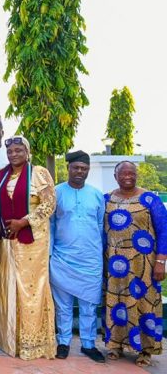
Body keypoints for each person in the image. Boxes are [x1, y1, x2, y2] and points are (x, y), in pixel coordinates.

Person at [0, 135, 56, 360]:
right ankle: (10, 339)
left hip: (33, 241)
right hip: (8, 241)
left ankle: (33, 343)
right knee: (9, 286)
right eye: (10, 151)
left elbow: (49, 204)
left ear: (27, 152)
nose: (14, 155)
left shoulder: (38, 173)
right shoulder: (1, 176)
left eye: (19, 150)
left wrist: (24, 222)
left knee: (31, 288)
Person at [103, 161, 166, 368]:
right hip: (114, 265)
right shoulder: (107, 199)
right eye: (123, 173)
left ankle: (146, 350)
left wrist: (161, 262)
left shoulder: (150, 199)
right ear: (115, 176)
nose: (128, 176)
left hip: (144, 265)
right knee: (116, 303)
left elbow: (164, 231)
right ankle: (115, 345)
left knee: (144, 305)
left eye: (132, 173)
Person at [50, 150, 105, 363]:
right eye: (76, 168)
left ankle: (88, 344)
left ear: (88, 170)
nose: (80, 172)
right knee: (63, 306)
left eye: (84, 169)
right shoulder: (56, 193)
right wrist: (50, 255)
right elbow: (51, 226)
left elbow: (100, 225)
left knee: (89, 305)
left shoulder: (96, 194)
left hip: (91, 258)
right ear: (68, 168)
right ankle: (63, 342)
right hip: (62, 257)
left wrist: (98, 252)